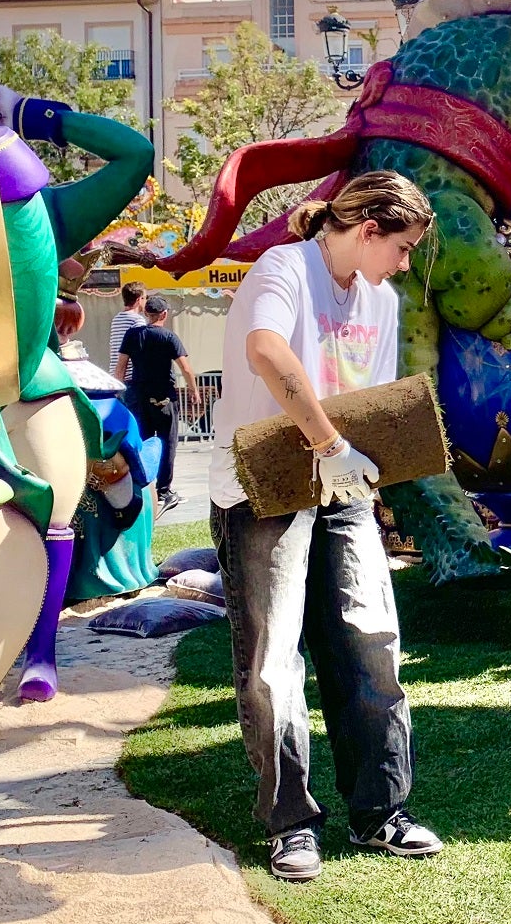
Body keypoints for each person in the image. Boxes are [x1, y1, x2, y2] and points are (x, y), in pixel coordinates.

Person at [208, 171, 443, 882]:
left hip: (339, 489)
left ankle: (381, 812)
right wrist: (331, 445)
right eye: (400, 248)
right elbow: (267, 352)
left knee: (370, 639)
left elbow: (365, 397)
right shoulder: (286, 267)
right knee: (275, 658)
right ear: (367, 228)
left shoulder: (380, 297)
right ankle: (291, 825)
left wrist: (361, 473)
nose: (403, 265)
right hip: (261, 485)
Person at [116, 296, 198, 510]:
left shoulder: (132, 335)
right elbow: (186, 368)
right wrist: (194, 390)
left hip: (138, 396)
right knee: (167, 443)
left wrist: (119, 392)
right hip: (164, 398)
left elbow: (121, 366)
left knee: (142, 441)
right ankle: (164, 490)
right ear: (164, 314)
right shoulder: (169, 337)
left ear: (146, 313)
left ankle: (143, 486)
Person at [109, 280, 147, 361]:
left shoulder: (116, 319)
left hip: (114, 369)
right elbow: (140, 349)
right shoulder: (138, 320)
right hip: (131, 371)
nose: (146, 301)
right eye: (145, 298)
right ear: (139, 300)